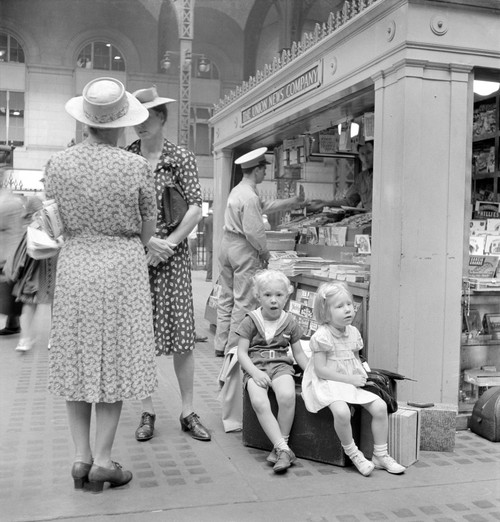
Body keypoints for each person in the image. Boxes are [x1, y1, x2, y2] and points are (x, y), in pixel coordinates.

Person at [45, 77, 158, 492]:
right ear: (121, 124)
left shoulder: (58, 164)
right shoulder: (135, 166)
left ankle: (80, 459)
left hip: (75, 266)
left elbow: (52, 222)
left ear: (86, 122)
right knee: (116, 360)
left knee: (77, 359)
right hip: (123, 268)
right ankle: (105, 461)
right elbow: (148, 228)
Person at [127, 86, 211, 443]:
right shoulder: (127, 157)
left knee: (182, 337)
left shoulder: (181, 157)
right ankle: (147, 409)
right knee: (140, 335)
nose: (140, 126)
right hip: (138, 255)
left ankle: (187, 410)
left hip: (172, 258)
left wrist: (169, 244)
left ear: (162, 118)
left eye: (147, 118)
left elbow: (195, 206)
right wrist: (149, 242)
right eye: (136, 119)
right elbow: (122, 209)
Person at [301, 281, 405, 476]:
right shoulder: (322, 336)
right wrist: (351, 380)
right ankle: (354, 453)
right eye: (339, 306)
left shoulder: (353, 332)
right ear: (325, 312)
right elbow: (321, 371)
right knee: (341, 412)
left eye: (349, 304)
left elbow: (355, 360)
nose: (347, 310)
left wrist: (363, 376)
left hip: (351, 380)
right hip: (328, 382)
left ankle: (380, 454)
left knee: (380, 407)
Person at [214, 147, 306, 358]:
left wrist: (293, 201)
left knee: (227, 297)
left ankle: (221, 344)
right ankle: (234, 350)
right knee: (244, 300)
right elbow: (254, 231)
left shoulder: (239, 190)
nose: (265, 173)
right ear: (257, 170)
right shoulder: (250, 196)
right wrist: (265, 253)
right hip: (243, 248)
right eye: (264, 169)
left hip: (226, 244)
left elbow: (264, 205)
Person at [237, 269, 307, 473]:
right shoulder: (250, 320)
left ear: (287, 296)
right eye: (267, 295)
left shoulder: (290, 321)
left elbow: (299, 354)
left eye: (279, 295)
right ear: (257, 296)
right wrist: (255, 373)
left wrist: (313, 373)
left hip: (281, 366)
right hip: (256, 366)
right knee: (259, 402)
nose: (273, 300)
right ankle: (284, 449)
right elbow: (241, 353)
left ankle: (280, 447)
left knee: (286, 396)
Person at [12, 195, 58, 352]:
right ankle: (53, 338)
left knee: (30, 299)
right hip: (53, 255)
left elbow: (23, 223)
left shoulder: (34, 201)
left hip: (36, 257)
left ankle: (24, 339)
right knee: (55, 299)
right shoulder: (58, 201)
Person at [308, 141, 374, 212]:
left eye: (369, 153)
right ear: (359, 157)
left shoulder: (384, 174)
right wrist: (325, 203)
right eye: (362, 154)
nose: (366, 158)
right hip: (369, 220)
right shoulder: (361, 178)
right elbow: (349, 202)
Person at [0, 178, 24, 335]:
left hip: (7, 251)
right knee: (12, 286)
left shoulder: (5, 203)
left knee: (8, 285)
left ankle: (13, 323)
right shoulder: (15, 201)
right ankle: (13, 323)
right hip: (15, 249)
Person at [203, 208, 213, 282]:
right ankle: (211, 276)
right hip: (215, 241)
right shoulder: (216, 219)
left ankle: (208, 276)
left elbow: (204, 231)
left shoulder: (206, 220)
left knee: (209, 259)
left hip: (208, 241)